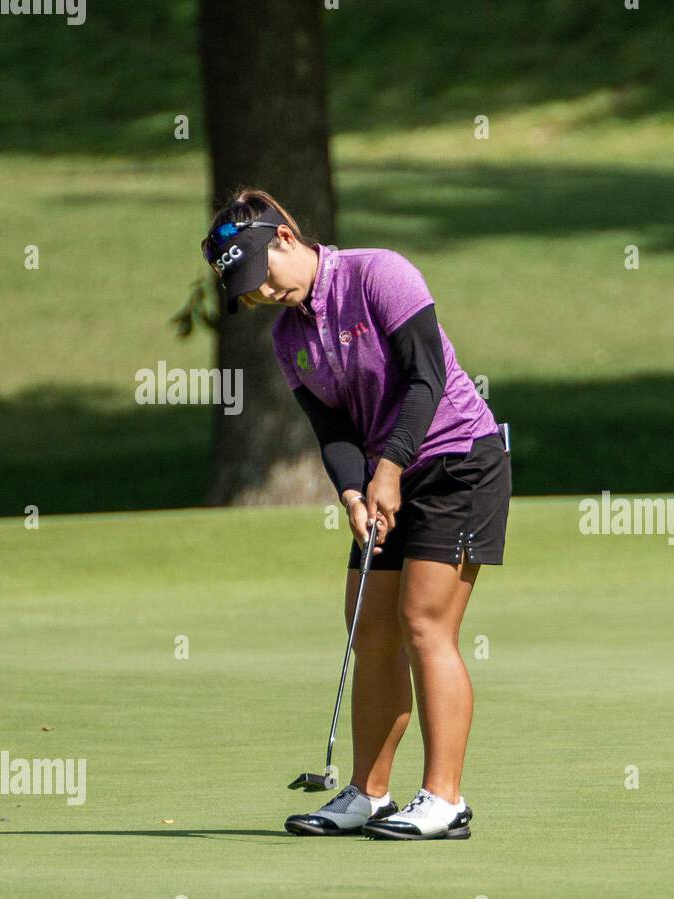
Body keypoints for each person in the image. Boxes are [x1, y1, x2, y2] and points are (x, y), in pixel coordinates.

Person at [201, 187, 511, 841]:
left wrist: (391, 470)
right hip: (383, 477)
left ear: (284, 238)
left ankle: (444, 798)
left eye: (259, 278)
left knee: (424, 624)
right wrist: (351, 492)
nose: (258, 296)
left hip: (458, 461)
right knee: (369, 628)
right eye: (245, 292)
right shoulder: (291, 338)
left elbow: (425, 377)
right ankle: (368, 794)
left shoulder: (379, 274)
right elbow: (333, 429)